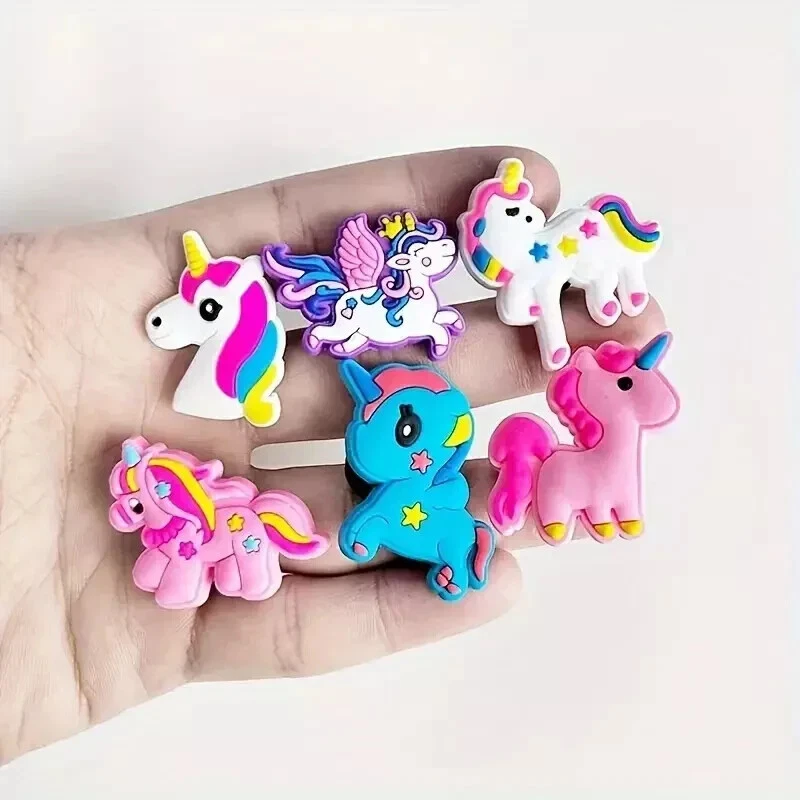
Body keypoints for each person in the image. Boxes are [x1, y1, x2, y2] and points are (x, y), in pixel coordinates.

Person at [0, 146, 663, 763]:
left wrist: (366, 521)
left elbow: (373, 518)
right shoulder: (383, 453)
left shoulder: (419, 468)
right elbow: (371, 513)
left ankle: (448, 554)